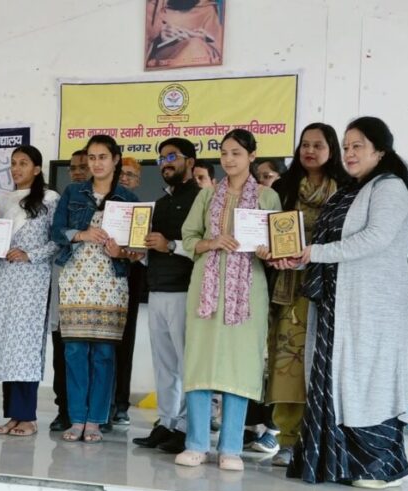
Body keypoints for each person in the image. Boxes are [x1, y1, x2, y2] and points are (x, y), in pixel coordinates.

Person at [287, 117, 408, 489]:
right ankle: (339, 464)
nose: (350, 153)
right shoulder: (350, 191)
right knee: (337, 382)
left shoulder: (390, 188)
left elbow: (375, 238)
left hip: (372, 307)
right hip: (337, 304)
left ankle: (378, 467)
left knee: (368, 382)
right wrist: (300, 257)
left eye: (358, 146)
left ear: (380, 150)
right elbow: (327, 244)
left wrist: (315, 253)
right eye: (346, 147)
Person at [175, 129, 281, 470]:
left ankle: (231, 448)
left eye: (236, 153)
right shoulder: (207, 195)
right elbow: (188, 237)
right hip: (206, 289)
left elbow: (279, 245)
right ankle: (196, 444)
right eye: (224, 153)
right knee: (200, 361)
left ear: (252, 156)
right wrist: (212, 242)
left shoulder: (268, 197)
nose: (229, 159)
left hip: (247, 293)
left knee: (240, 365)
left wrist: (267, 251)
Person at [258, 123, 347, 466]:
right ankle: (288, 439)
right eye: (305, 144)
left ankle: (321, 438)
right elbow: (265, 230)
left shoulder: (345, 188)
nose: (310, 150)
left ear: (331, 149)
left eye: (318, 145)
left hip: (328, 288)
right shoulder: (285, 187)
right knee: (287, 364)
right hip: (288, 288)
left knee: (322, 364)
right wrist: (267, 252)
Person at [51, 134, 140, 443]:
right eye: (92, 157)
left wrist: (123, 252)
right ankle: (77, 419)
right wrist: (81, 234)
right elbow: (56, 231)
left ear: (115, 160)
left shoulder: (129, 199)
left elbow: (139, 248)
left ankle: (95, 420)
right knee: (74, 350)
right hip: (75, 279)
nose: (97, 163)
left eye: (103, 157)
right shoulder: (73, 192)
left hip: (112, 281)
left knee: (103, 353)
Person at [0, 145, 59, 436]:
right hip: (5, 280)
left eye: (23, 163)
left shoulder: (50, 199)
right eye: (13, 163)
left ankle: (28, 417)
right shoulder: (4, 200)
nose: (16, 168)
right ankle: (13, 415)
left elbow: (57, 241)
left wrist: (29, 255)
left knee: (25, 348)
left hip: (33, 281)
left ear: (37, 169)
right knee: (5, 345)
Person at [132, 137, 200, 454]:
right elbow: (154, 249)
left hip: (186, 291)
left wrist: (171, 245)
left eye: (172, 157)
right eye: (161, 159)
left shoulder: (202, 200)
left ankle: (187, 428)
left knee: (188, 364)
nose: (165, 163)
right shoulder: (157, 205)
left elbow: (204, 246)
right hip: (157, 289)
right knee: (164, 365)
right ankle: (167, 421)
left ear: (190, 162)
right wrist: (140, 254)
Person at [49, 149, 89, 432]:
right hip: (64, 281)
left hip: (97, 289)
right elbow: (56, 234)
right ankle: (64, 409)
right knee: (62, 352)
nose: (77, 172)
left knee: (95, 355)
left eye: (83, 166)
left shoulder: (112, 200)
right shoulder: (62, 200)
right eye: (73, 168)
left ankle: (95, 414)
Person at [112, 156, 144, 425]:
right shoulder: (102, 205)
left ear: (138, 181)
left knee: (125, 343)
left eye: (130, 175)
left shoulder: (142, 212)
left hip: (131, 279)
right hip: (99, 281)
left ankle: (120, 403)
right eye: (121, 173)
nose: (124, 178)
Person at [145, 0, 224, 69]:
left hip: (197, 60)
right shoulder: (153, 7)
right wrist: (159, 38)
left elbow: (220, 53)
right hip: (163, 63)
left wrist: (205, 40)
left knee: (195, 45)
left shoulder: (207, 9)